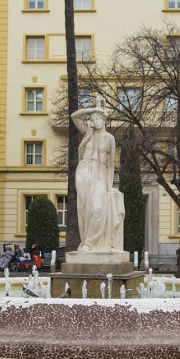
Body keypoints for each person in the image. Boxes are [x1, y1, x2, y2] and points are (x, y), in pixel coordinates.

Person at [70, 98, 125, 252]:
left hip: (99, 173)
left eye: (98, 118)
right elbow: (74, 116)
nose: (96, 121)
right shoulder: (87, 133)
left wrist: (109, 186)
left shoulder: (109, 139)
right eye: (93, 119)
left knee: (97, 207)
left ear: (104, 120)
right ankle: (86, 243)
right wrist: (90, 110)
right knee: (85, 209)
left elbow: (111, 164)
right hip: (83, 171)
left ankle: (91, 242)